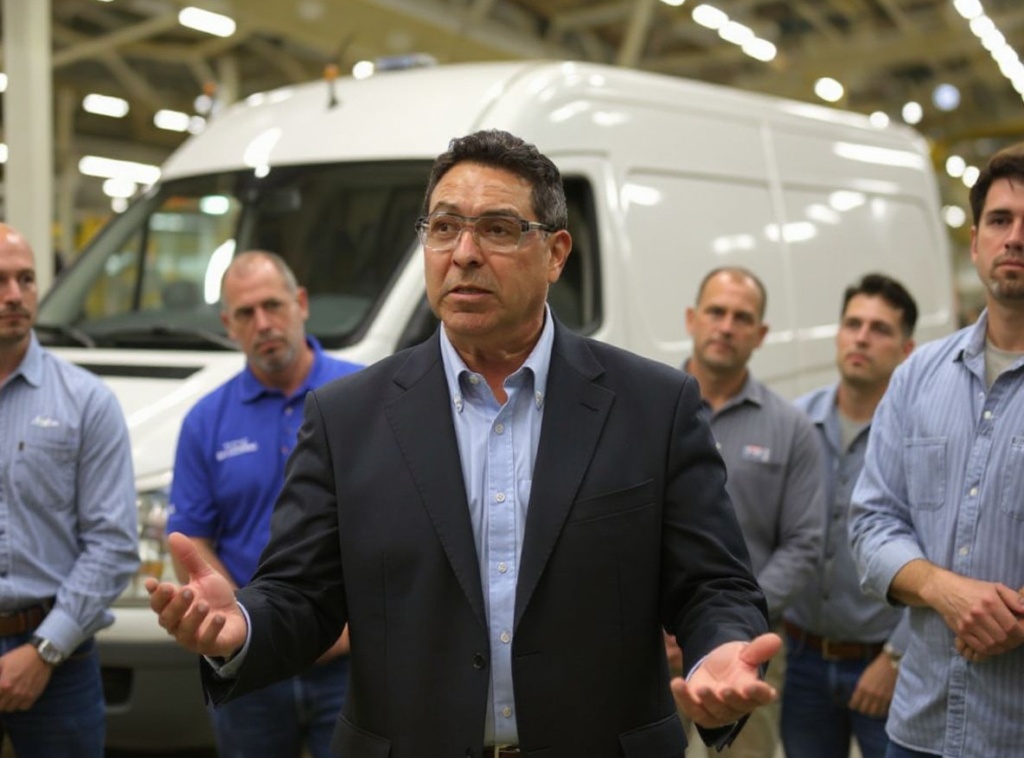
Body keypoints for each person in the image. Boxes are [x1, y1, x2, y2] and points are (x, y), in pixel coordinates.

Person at [147, 128, 780, 758]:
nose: (465, 253)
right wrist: (242, 626)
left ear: (556, 254)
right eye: (444, 227)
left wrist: (719, 653)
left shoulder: (652, 406)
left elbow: (712, 584)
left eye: (499, 229)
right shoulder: (348, 419)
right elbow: (303, 595)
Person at [849, 142, 1024, 758]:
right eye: (1001, 221)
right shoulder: (919, 376)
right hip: (919, 726)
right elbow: (872, 524)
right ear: (975, 242)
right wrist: (948, 592)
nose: (1015, 238)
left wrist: (1012, 617)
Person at [166, 250, 360, 758]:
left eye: (273, 305)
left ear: (300, 304)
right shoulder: (205, 422)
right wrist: (248, 625)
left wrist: (348, 628)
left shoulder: (367, 395)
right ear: (229, 325)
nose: (264, 323)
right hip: (250, 666)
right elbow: (195, 540)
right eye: (246, 313)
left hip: (353, 659)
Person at [0, 223, 139, 756]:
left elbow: (113, 543)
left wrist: (44, 651)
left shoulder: (85, 402)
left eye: (27, 279)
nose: (15, 294)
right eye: (2, 281)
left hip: (61, 657)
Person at [675, 266, 825, 758]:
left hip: (748, 650)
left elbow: (804, 545)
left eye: (743, 317)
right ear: (692, 319)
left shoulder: (791, 428)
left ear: (760, 335)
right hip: (651, 648)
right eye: (716, 312)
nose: (726, 326)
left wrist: (734, 626)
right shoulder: (647, 410)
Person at [781, 273, 918, 758]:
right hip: (801, 661)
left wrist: (897, 657)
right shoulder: (795, 424)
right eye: (853, 323)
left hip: (884, 665)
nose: (861, 337)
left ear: (907, 349)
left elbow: (942, 549)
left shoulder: (917, 438)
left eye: (880, 329)